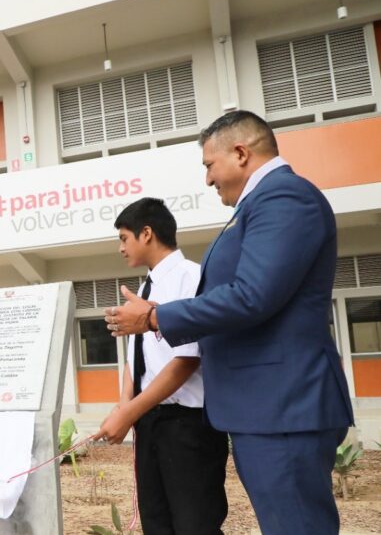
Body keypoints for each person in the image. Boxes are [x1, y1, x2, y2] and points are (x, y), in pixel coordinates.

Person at [106, 111, 353, 535]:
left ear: (240, 153)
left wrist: (154, 317)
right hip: (263, 409)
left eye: (208, 165)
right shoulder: (259, 206)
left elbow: (251, 295)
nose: (207, 179)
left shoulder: (284, 198)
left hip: (283, 406)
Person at [94, 198, 228, 534]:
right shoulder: (143, 289)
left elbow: (186, 360)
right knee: (156, 521)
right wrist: (126, 409)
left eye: (124, 238)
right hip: (149, 422)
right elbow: (133, 359)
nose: (121, 248)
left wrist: (129, 412)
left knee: (194, 523)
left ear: (147, 233)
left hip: (187, 427)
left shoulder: (192, 278)